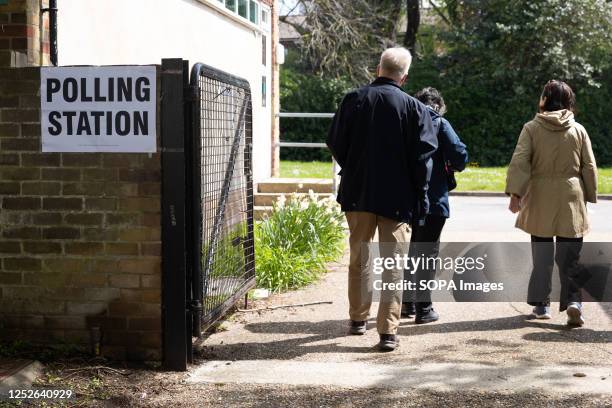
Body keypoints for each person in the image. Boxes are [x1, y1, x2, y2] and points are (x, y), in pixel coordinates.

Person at [327, 47, 437, 351]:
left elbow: (335, 141)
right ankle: (388, 331)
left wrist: (353, 166)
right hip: (399, 198)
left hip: (358, 192)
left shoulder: (353, 100)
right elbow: (424, 158)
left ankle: (357, 319)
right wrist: (422, 196)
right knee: (393, 265)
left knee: (359, 259)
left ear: (378, 68)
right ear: (405, 76)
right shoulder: (415, 109)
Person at [505, 80, 597, 326]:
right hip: (571, 195)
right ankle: (574, 302)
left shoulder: (532, 128)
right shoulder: (578, 129)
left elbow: (521, 160)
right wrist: (589, 195)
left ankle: (541, 305)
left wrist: (515, 193)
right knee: (571, 256)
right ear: (569, 101)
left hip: (540, 196)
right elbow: (589, 165)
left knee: (542, 254)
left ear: (544, 100)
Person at [402, 87, 468, 323]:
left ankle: (407, 303)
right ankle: (424, 308)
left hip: (408, 198)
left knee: (413, 249)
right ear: (439, 105)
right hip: (435, 198)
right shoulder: (440, 123)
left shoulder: (406, 122)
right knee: (427, 251)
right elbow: (460, 156)